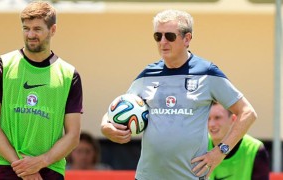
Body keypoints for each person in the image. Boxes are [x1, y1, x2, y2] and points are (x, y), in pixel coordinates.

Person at [100, 9, 257, 180]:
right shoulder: (147, 74)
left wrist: (220, 152)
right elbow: (116, 109)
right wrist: (106, 127)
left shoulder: (207, 73)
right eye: (158, 36)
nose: (163, 42)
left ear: (187, 38)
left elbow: (247, 113)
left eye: (170, 36)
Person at [0, 1, 83, 180]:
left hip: (50, 169)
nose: (30, 34)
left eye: (37, 29)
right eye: (25, 28)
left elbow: (73, 135)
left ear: (53, 30)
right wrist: (23, 168)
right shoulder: (2, 66)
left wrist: (41, 161)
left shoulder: (69, 75)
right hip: (8, 167)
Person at [208, 101, 270, 180]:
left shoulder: (254, 149)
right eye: (208, 118)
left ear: (233, 119)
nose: (211, 124)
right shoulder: (198, 146)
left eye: (217, 118)